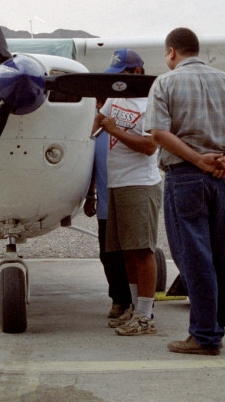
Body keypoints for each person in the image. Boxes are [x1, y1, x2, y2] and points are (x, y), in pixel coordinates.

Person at [145, 27, 225, 355]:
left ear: (171, 52)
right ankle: (214, 324)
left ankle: (205, 335)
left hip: (185, 177)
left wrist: (198, 159)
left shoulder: (165, 84)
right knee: (221, 254)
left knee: (193, 256)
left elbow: (157, 132)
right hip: (224, 178)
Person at [92, 48, 162, 336]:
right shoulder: (115, 98)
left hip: (139, 183)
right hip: (117, 183)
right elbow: (96, 124)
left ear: (137, 73)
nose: (116, 82)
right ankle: (134, 307)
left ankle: (145, 315)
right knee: (127, 252)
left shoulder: (152, 104)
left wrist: (114, 130)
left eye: (121, 76)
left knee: (143, 251)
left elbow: (149, 146)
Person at [85, 98, 132, 319]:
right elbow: (89, 163)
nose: (98, 105)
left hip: (129, 198)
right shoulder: (96, 130)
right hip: (105, 202)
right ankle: (119, 299)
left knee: (134, 253)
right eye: (97, 102)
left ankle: (137, 301)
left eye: (102, 101)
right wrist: (90, 195)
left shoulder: (123, 124)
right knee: (108, 254)